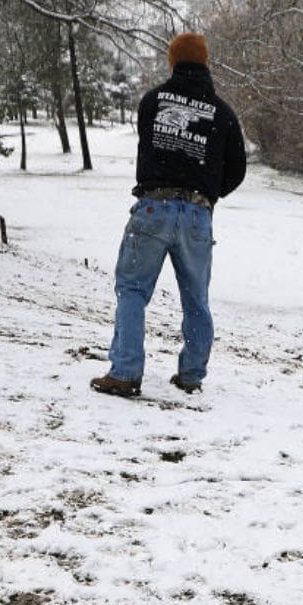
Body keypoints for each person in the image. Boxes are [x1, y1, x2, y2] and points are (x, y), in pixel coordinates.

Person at [91, 32, 247, 398]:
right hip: (197, 214)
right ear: (205, 62)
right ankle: (191, 374)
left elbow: (149, 143)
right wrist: (207, 192)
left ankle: (126, 371)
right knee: (196, 299)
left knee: (132, 289)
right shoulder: (223, 114)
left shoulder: (152, 101)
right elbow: (237, 168)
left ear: (173, 61)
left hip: (152, 206)